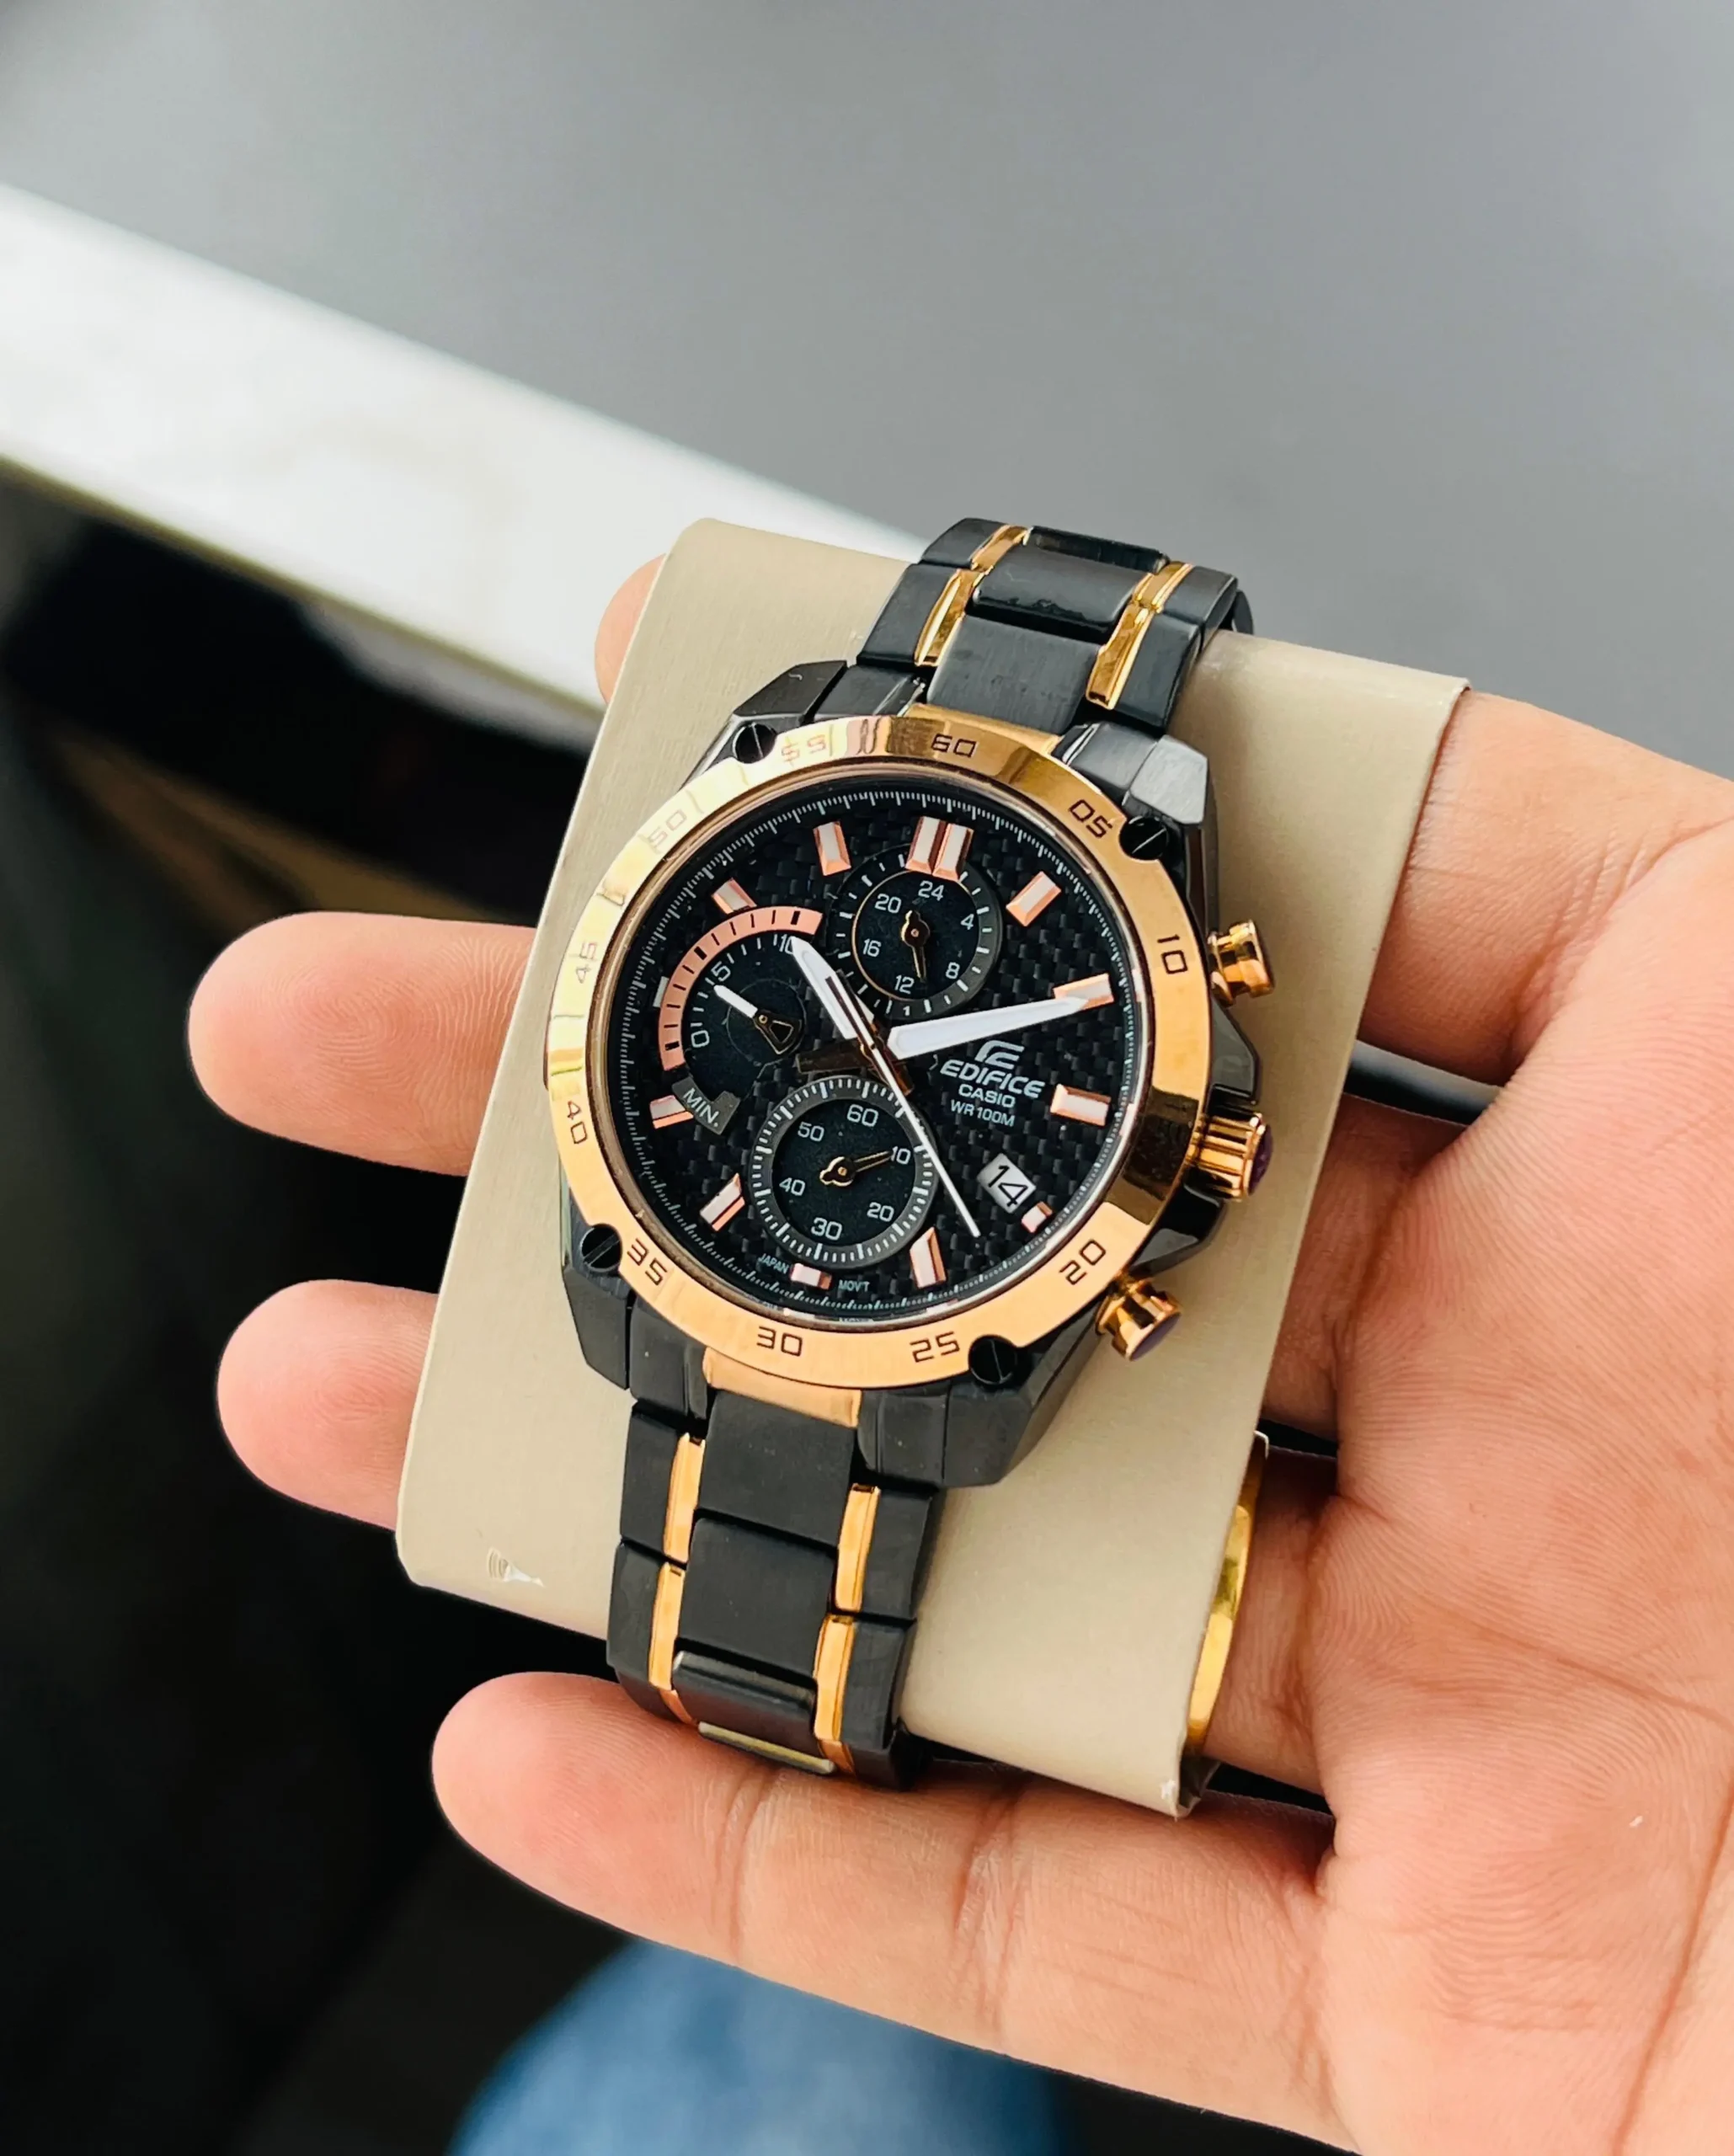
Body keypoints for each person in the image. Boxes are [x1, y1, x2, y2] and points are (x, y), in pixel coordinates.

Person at [188, 561, 1734, 2154]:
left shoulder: (1138, 1067)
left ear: (1206, 1147)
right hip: (712, 1255)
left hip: (929, 1302)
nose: (872, 1049)